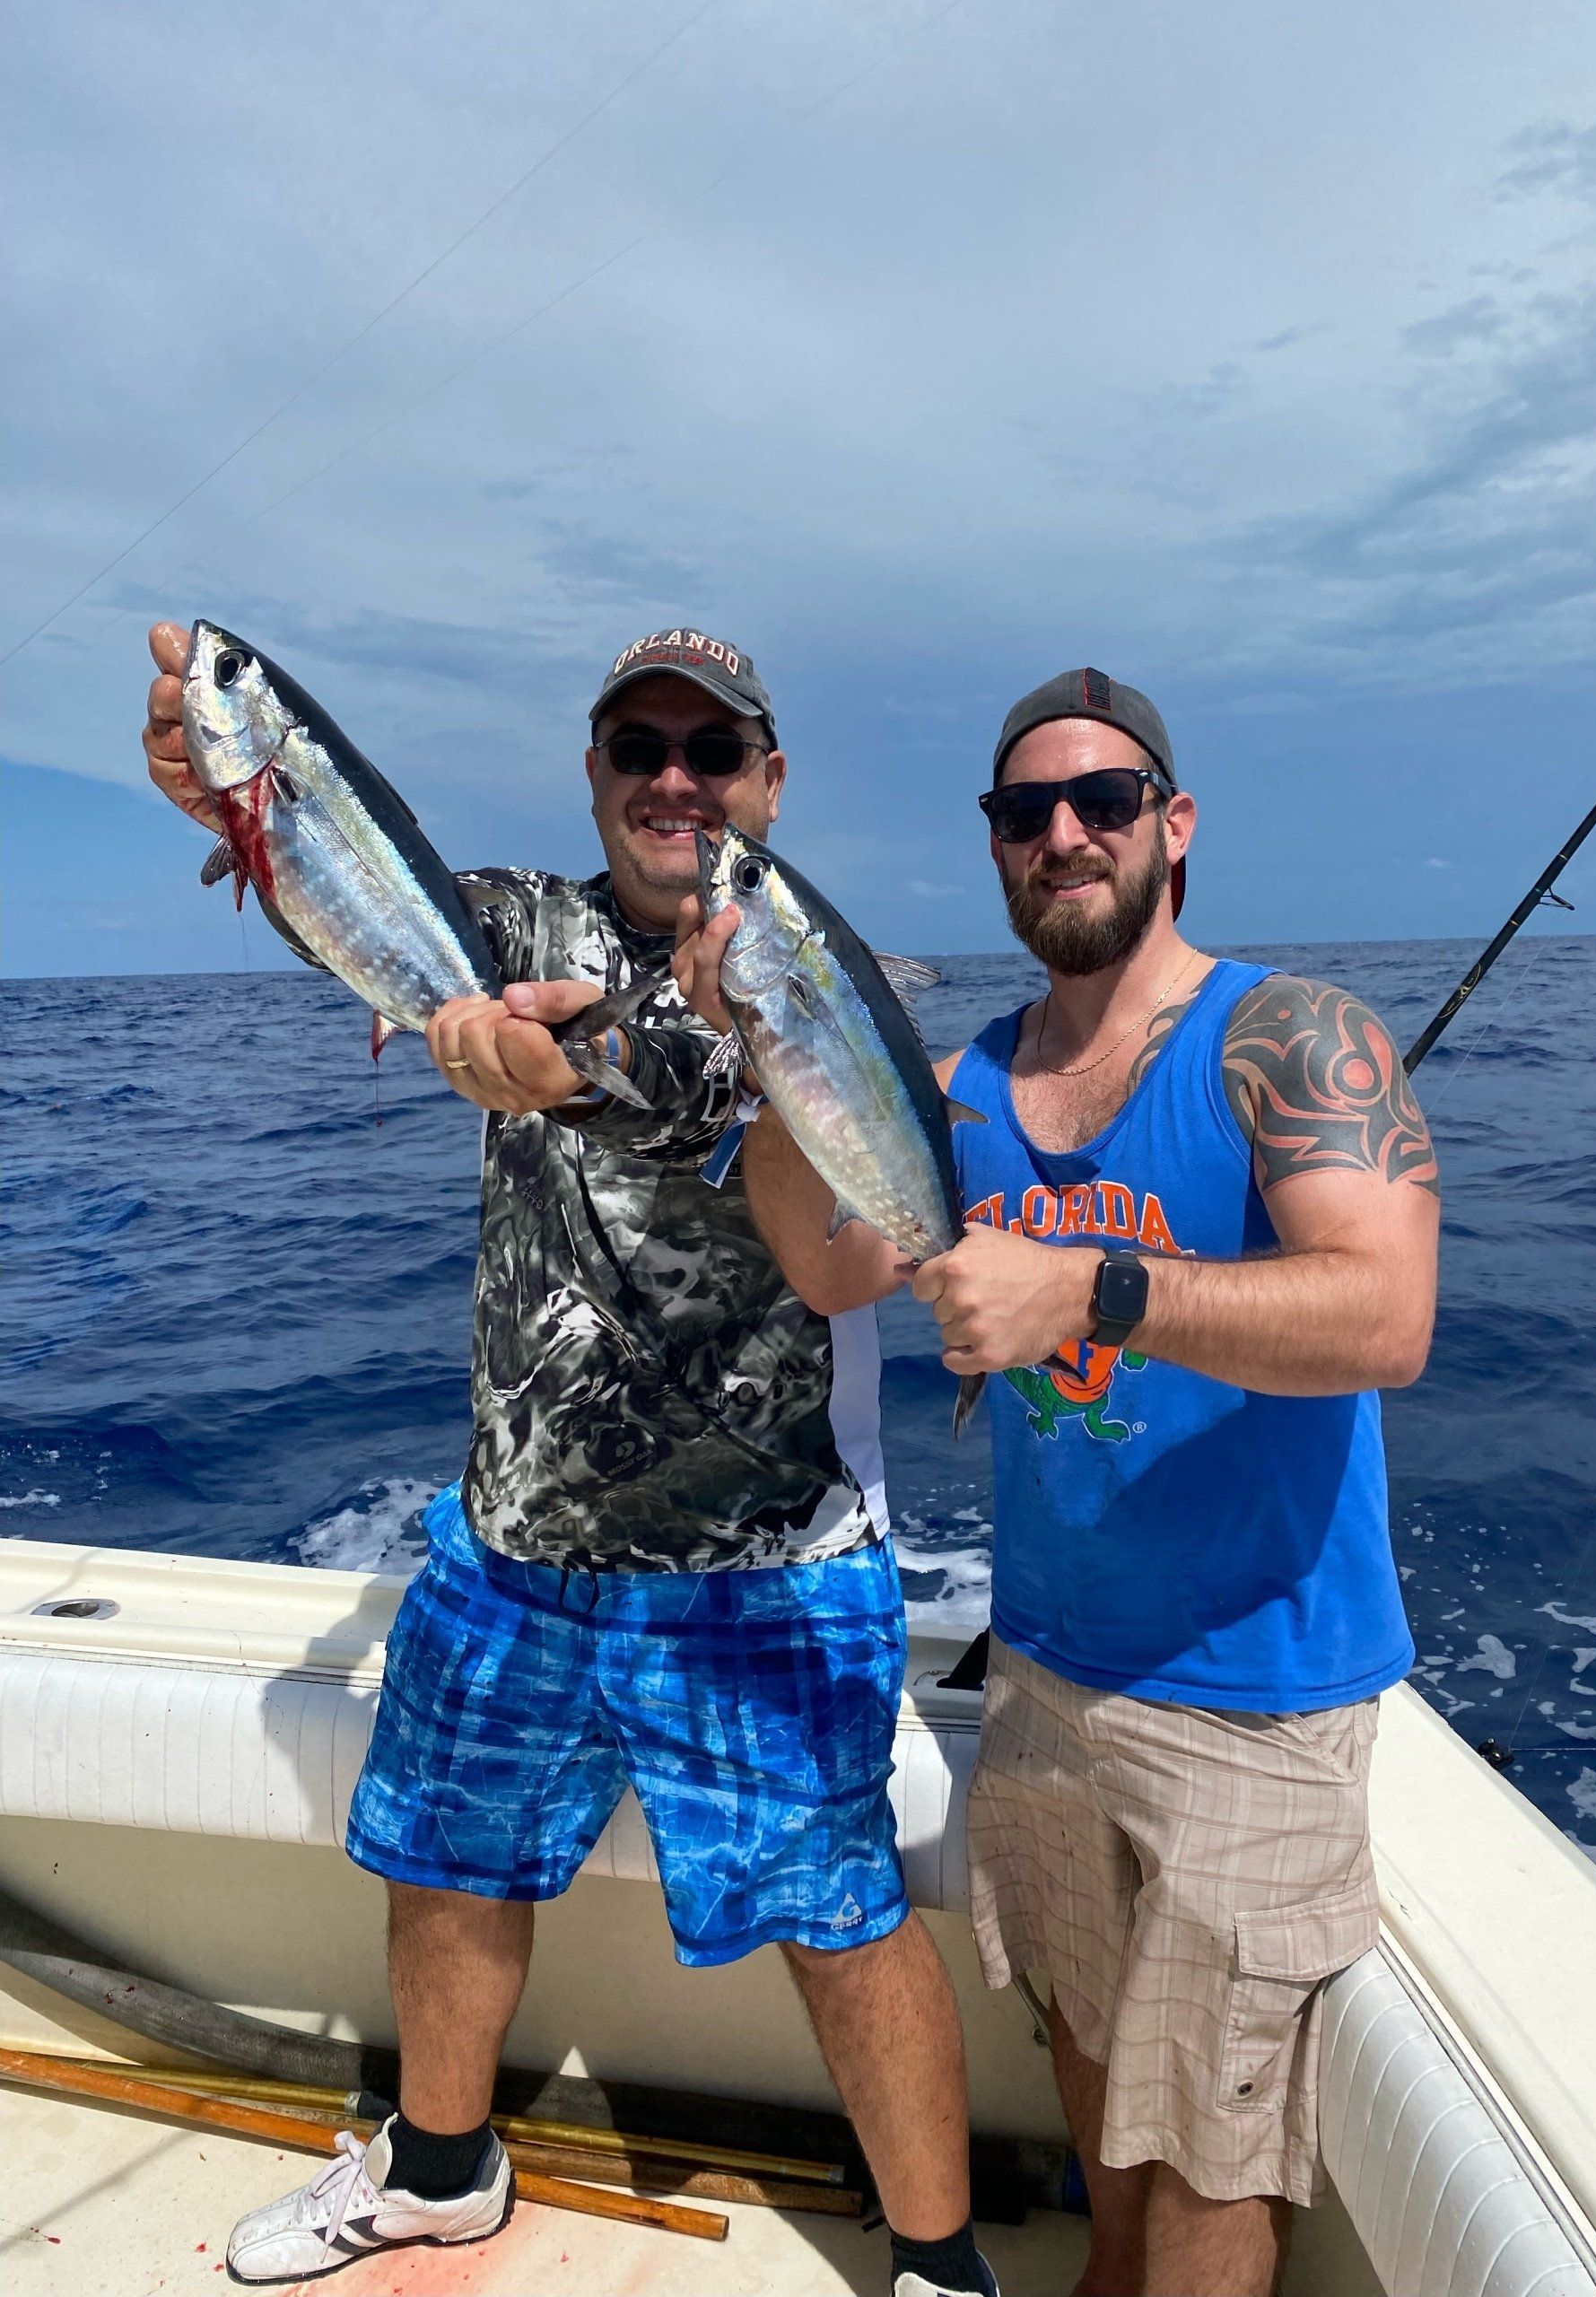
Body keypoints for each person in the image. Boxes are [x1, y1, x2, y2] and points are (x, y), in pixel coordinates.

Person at [141, 621, 998, 2297]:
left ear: (766, 783)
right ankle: (440, 2172)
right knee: (444, 1864)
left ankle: (941, 2261)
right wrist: (224, 794)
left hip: (768, 1556)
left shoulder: (829, 975)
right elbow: (378, 921)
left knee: (840, 1915)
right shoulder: (523, 924)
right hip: (513, 1537)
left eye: (710, 753)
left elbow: (792, 1189)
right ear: (597, 774)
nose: (673, 780)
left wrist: (587, 1078)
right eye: (638, 750)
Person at [702, 667, 1438, 2297]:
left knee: (1205, 2169)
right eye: (1024, 812)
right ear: (997, 852)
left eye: (1102, 801)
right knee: (1101, 2098)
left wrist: (1093, 1286)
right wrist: (772, 1054)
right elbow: (830, 1269)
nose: (1063, 834)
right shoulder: (964, 1082)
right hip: (1045, 1675)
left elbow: (1387, 1318)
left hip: (1249, 1699)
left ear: (1172, 828)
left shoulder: (1291, 1035)